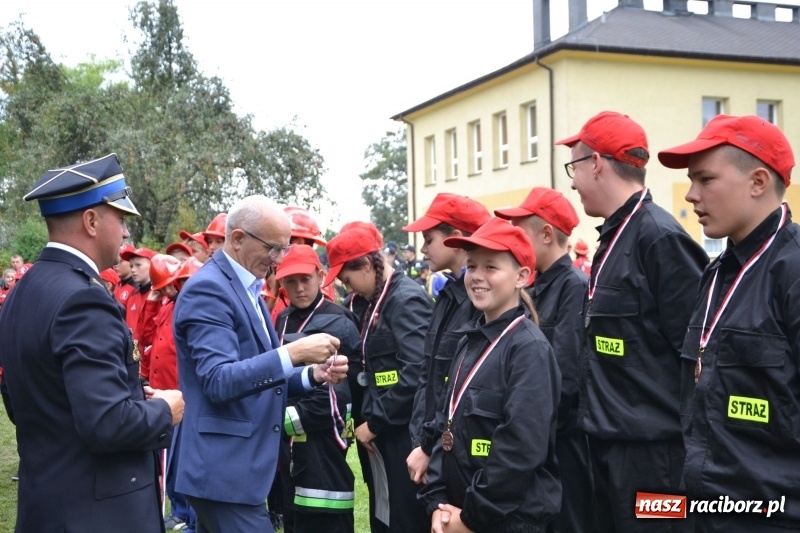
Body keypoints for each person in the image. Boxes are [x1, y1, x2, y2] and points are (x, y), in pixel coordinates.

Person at [0, 153, 184, 532]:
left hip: (48, 503)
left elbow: (23, 402)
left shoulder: (24, 291)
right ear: (91, 220)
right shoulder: (82, 298)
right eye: (120, 219)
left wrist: (129, 395)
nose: (126, 233)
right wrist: (165, 409)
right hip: (99, 513)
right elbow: (107, 423)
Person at [557, 111, 707, 532]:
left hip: (654, 460)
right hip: (608, 448)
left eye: (575, 166)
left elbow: (695, 356)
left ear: (597, 164)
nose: (572, 181)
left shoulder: (658, 238)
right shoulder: (615, 236)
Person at [172, 194, 348, 533]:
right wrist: (293, 354)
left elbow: (259, 375)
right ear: (237, 239)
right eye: (273, 248)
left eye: (283, 249)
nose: (278, 259)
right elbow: (219, 380)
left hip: (235, 469)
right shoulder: (209, 290)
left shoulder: (243, 286)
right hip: (224, 470)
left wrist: (312, 375)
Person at [658, 115, 799, 532]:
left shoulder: (792, 273)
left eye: (705, 180)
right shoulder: (718, 272)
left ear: (757, 182)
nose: (691, 195)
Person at [419, 217, 562, 532]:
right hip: (456, 511)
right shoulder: (468, 341)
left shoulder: (528, 350)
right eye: (471, 266)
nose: (477, 277)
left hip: (504, 521)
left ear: (521, 276)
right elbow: (447, 423)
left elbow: (519, 449)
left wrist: (471, 518)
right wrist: (438, 503)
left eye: (491, 267)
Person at [495, 187, 592, 533]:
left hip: (562, 441)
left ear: (547, 234)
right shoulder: (538, 286)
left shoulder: (574, 287)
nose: (512, 238)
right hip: (538, 438)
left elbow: (566, 375)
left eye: (520, 231)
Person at [324, 226, 433, 533]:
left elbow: (416, 373)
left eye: (348, 280)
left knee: (404, 516)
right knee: (384, 512)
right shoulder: (373, 301)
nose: (348, 289)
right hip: (380, 430)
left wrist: (374, 424)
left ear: (368, 264)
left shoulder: (405, 300)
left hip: (401, 433)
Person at [402, 192, 491, 487]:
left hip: (455, 454)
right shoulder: (448, 296)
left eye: (429, 239)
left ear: (455, 237)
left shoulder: (480, 304)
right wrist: (422, 441)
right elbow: (428, 378)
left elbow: (460, 392)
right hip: (432, 446)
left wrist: (429, 447)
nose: (423, 248)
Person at [274, 244, 361, 533]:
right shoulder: (282, 318)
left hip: (322, 447)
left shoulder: (339, 321)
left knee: (324, 518)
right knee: (294, 518)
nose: (299, 288)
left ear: (321, 275)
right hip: (289, 450)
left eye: (305, 278)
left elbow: (332, 400)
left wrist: (273, 421)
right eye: (290, 280)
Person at [120, 246, 155, 342]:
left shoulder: (161, 296)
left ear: (152, 265)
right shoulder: (132, 297)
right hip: (133, 353)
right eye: (131, 266)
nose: (133, 270)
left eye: (138, 265)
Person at [114, 242, 138, 307]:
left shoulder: (137, 288)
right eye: (115, 260)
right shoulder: (118, 284)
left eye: (121, 261)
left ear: (131, 262)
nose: (116, 264)